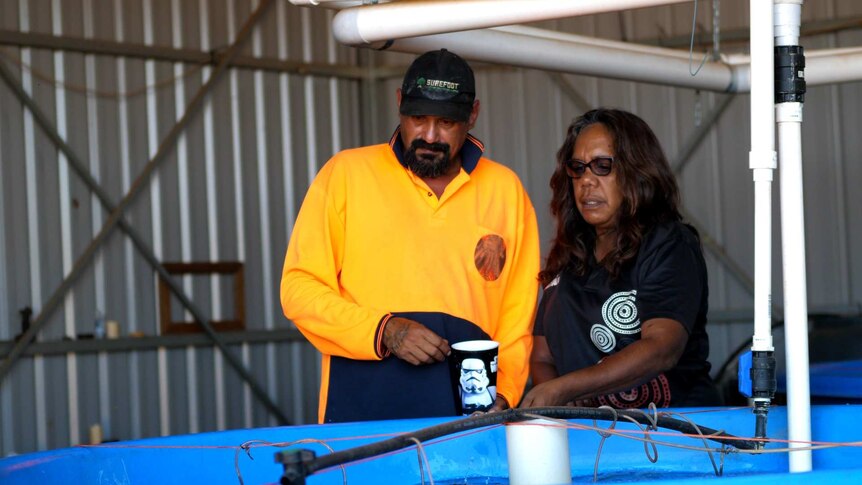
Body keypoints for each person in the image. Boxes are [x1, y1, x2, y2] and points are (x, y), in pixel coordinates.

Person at [281, 49, 540, 423]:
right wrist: (386, 331)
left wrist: (507, 392)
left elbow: (518, 317)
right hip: (362, 404)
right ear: (400, 104)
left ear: (472, 116)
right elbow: (299, 289)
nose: (429, 135)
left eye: (446, 122)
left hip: (469, 410)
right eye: (417, 118)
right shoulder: (346, 175)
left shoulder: (505, 190)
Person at [520, 108, 721, 409]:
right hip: (589, 438)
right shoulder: (570, 252)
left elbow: (662, 347)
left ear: (636, 169)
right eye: (578, 168)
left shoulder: (668, 243)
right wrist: (560, 405)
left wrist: (565, 390)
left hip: (670, 439)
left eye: (602, 166)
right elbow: (542, 355)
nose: (587, 180)